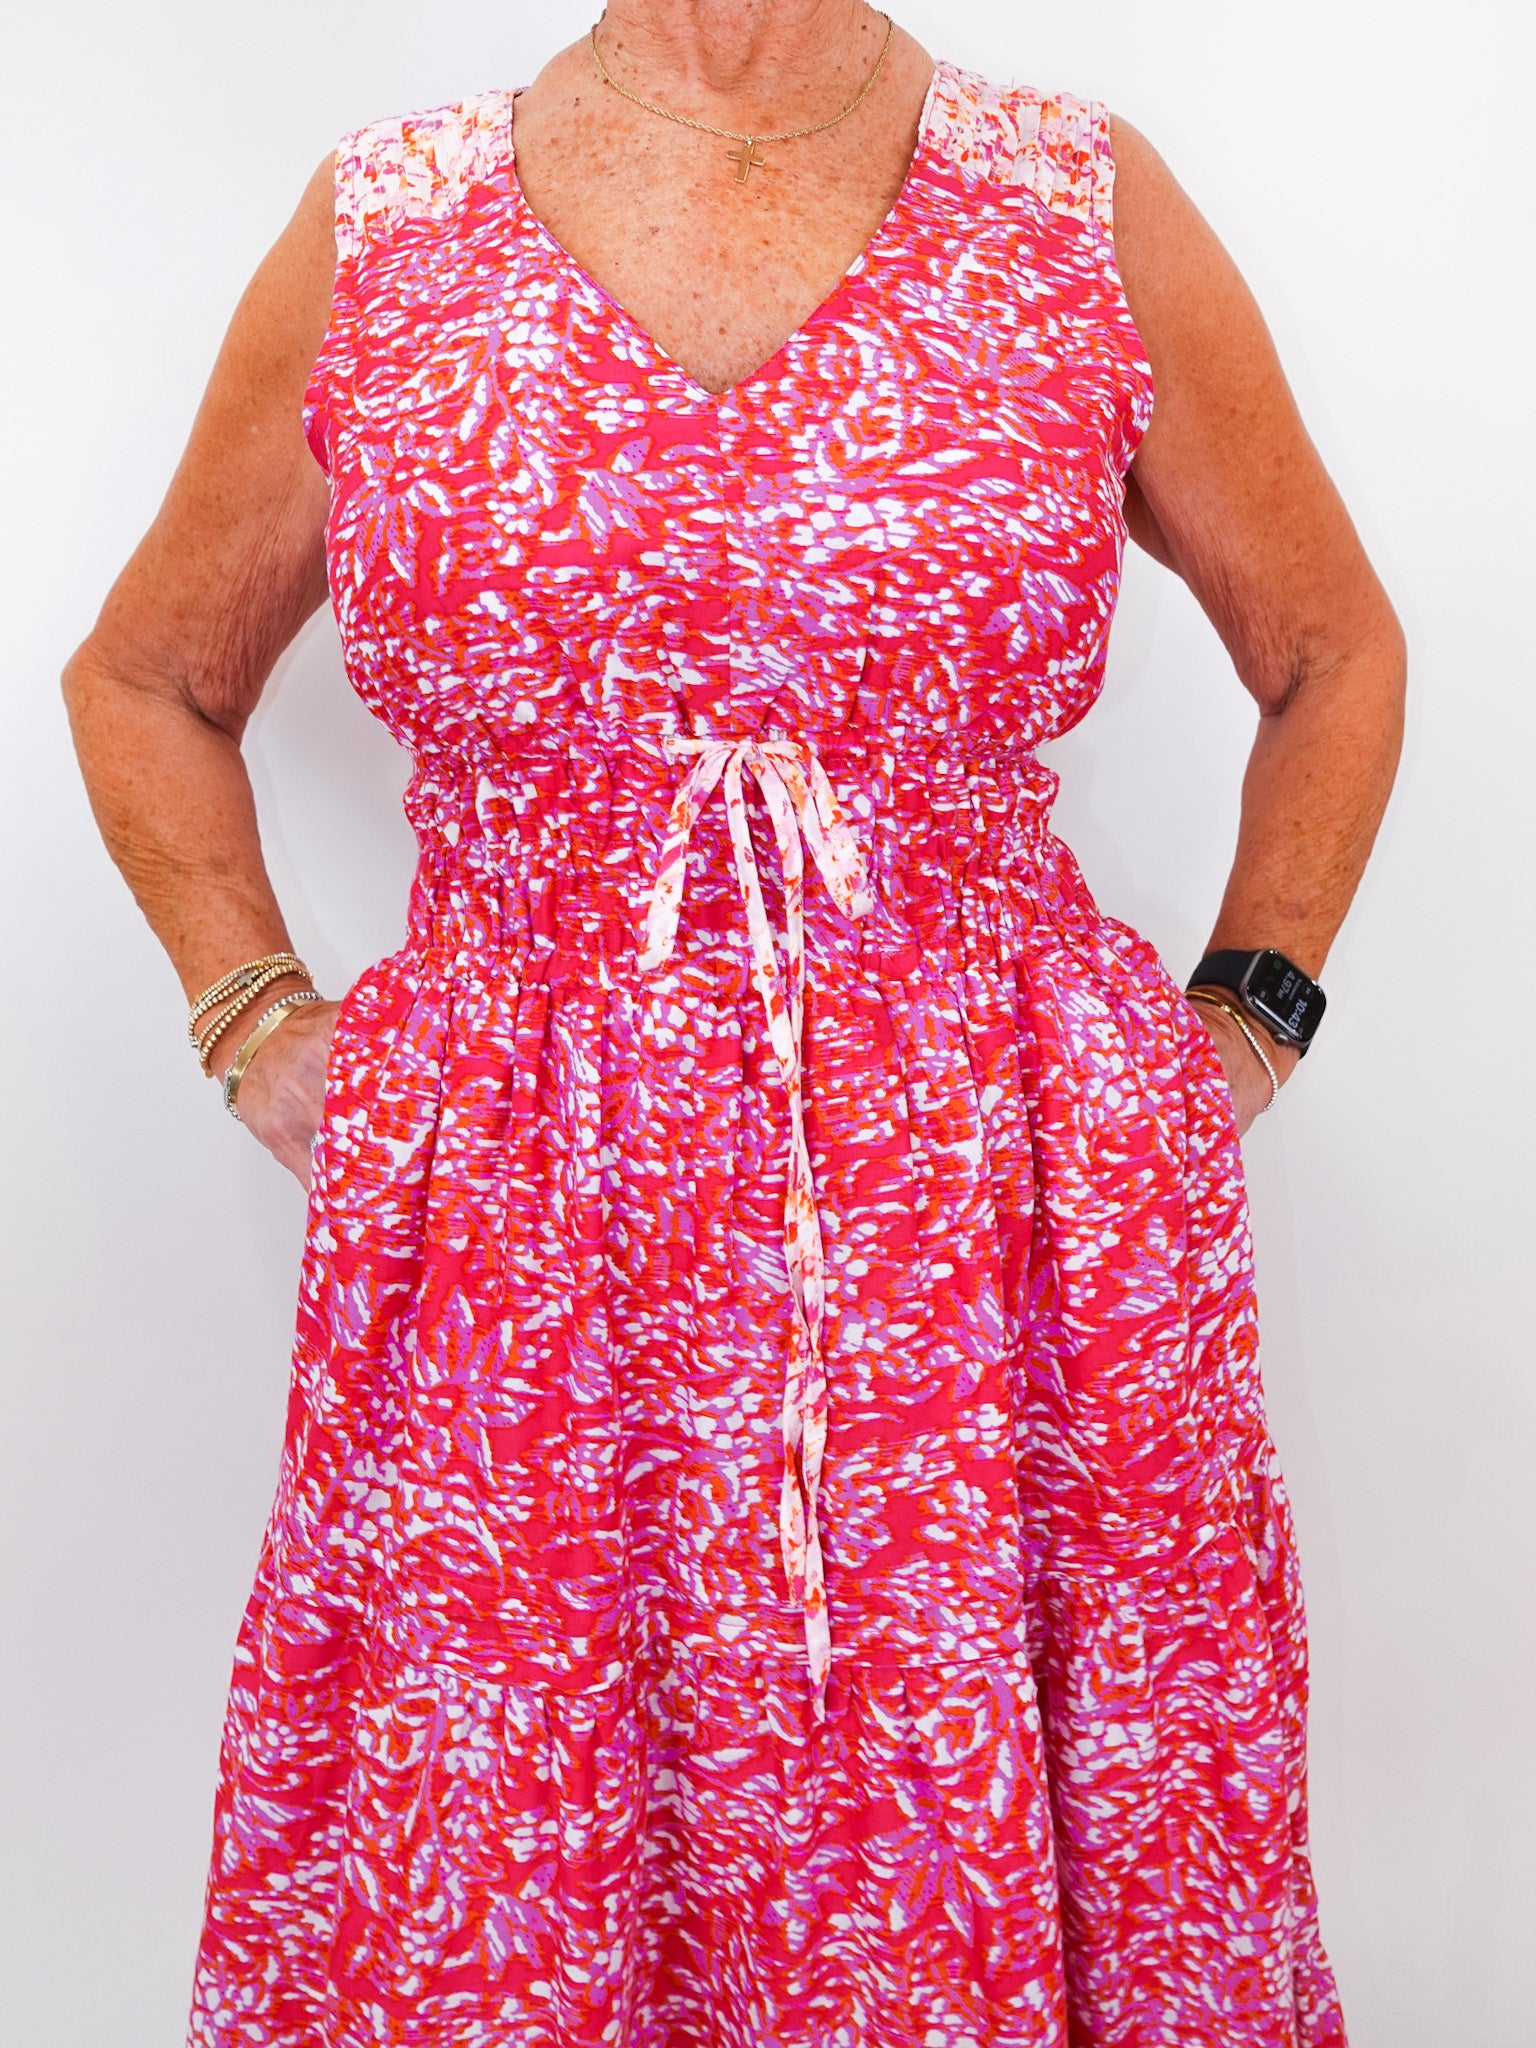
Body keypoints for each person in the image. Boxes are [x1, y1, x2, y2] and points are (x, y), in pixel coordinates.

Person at [64, 3, 1404, 2041]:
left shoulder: (1071, 200)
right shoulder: (391, 223)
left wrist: (1241, 1017)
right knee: (503, 1834)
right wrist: (261, 1020)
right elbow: (145, 679)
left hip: (989, 1245)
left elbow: (1331, 650)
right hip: (521, 1247)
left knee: (982, 1818)